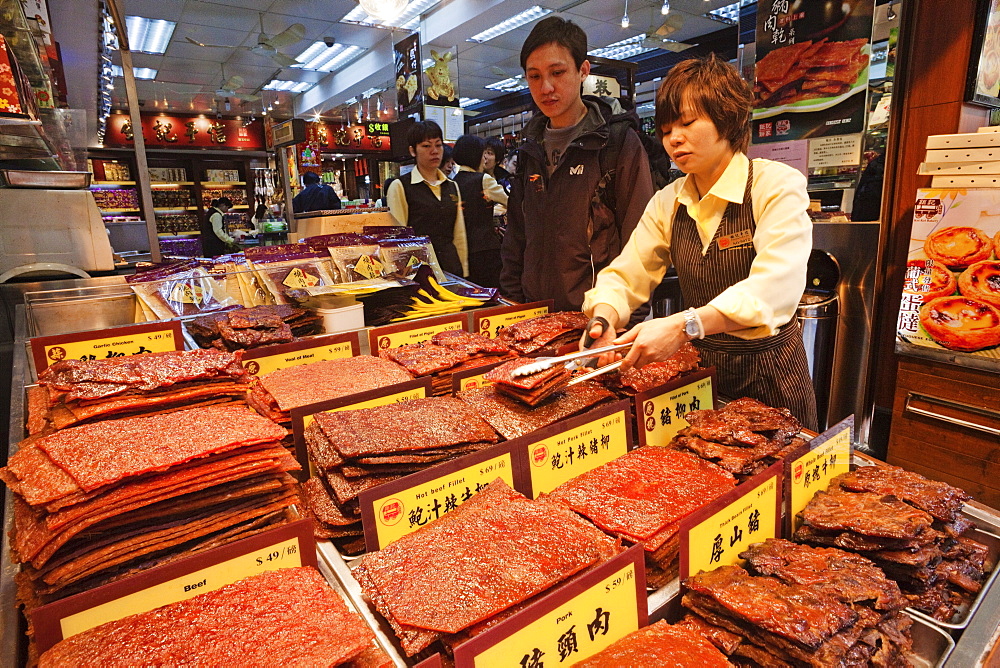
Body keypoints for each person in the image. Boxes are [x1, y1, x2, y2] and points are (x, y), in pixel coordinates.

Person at [582, 54, 817, 429]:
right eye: (665, 129)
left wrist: (684, 326)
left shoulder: (775, 185)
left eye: (688, 123)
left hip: (771, 374)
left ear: (727, 117)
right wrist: (604, 315)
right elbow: (628, 273)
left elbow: (775, 288)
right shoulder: (668, 200)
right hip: (702, 375)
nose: (674, 138)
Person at [501, 16, 655, 314]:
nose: (546, 87)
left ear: (583, 70)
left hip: (598, 320)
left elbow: (642, 243)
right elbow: (516, 238)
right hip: (535, 320)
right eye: (534, 76)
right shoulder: (530, 148)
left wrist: (625, 320)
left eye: (557, 72)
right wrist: (514, 308)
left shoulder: (617, 143)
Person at [387, 120, 468, 276]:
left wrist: (464, 270)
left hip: (451, 266)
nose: (434, 151)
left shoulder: (451, 186)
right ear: (412, 151)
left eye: (438, 145)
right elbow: (398, 239)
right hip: (419, 270)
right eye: (426, 146)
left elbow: (459, 234)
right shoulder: (400, 186)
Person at [453, 134, 508, 288]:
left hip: (463, 251)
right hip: (486, 249)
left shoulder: (452, 182)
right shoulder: (483, 180)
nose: (485, 158)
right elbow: (510, 202)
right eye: (483, 153)